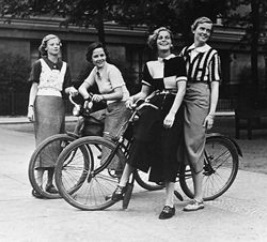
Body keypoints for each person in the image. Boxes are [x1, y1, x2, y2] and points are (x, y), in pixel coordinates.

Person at [111, 27, 187, 220]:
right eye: (160, 38)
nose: (163, 40)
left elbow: (180, 90)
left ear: (171, 42)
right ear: (155, 42)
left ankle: (169, 203)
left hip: (172, 106)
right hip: (155, 104)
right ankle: (122, 184)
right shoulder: (151, 65)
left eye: (167, 38)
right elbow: (145, 92)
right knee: (139, 138)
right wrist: (133, 98)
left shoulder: (178, 61)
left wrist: (172, 113)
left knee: (168, 150)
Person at [27, 34, 78, 198]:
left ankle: (50, 184)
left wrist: (71, 89)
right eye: (52, 44)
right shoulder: (39, 64)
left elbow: (66, 87)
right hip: (42, 104)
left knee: (57, 144)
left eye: (58, 44)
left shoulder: (65, 66)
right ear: (46, 47)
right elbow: (34, 86)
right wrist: (30, 107)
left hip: (58, 105)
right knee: (44, 143)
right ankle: (38, 185)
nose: (56, 47)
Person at [179, 17, 221, 211]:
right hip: (182, 93)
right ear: (193, 29)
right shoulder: (185, 51)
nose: (204, 33)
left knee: (193, 143)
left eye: (208, 30)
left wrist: (211, 113)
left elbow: (214, 84)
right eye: (201, 29)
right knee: (175, 136)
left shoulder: (212, 54)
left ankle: (198, 198)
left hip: (199, 96)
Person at [78, 42, 131, 170]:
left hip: (121, 106)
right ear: (91, 59)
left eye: (102, 55)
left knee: (110, 140)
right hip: (110, 107)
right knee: (85, 120)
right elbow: (82, 87)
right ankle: (70, 144)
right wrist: (87, 96)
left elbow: (119, 94)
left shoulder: (112, 70)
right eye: (96, 56)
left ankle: (120, 178)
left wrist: (101, 97)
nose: (99, 58)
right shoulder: (95, 70)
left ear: (106, 56)